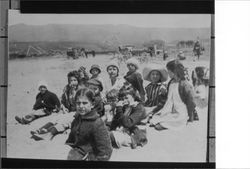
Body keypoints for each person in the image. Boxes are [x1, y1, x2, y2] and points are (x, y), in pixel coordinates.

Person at [30, 71, 81, 141]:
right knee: (57, 118)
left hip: (77, 112)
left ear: (78, 81)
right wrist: (64, 108)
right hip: (68, 111)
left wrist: (74, 92)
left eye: (75, 80)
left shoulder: (81, 90)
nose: (73, 82)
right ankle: (41, 130)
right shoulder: (67, 90)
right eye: (71, 80)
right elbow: (62, 101)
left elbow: (80, 103)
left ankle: (49, 134)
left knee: (64, 121)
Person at [149, 60, 198, 131]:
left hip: (182, 111)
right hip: (171, 109)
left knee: (162, 124)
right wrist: (163, 93)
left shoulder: (184, 84)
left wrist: (190, 116)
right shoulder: (171, 82)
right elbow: (169, 98)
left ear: (174, 71)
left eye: (168, 71)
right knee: (155, 119)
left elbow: (191, 101)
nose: (168, 73)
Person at [66, 88, 112, 161]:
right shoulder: (76, 119)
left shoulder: (97, 123)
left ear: (92, 104)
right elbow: (71, 141)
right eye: (78, 103)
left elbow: (105, 151)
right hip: (77, 153)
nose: (81, 106)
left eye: (85, 103)